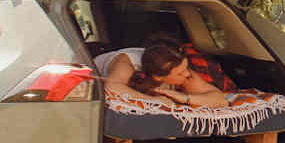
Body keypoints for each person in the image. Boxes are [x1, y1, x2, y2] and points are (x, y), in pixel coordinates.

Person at [98, 42, 230, 108]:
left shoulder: (180, 68)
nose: (187, 73)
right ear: (159, 77)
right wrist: (154, 100)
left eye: (186, 67)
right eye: (180, 73)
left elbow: (220, 100)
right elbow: (111, 88)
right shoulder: (126, 62)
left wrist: (184, 98)